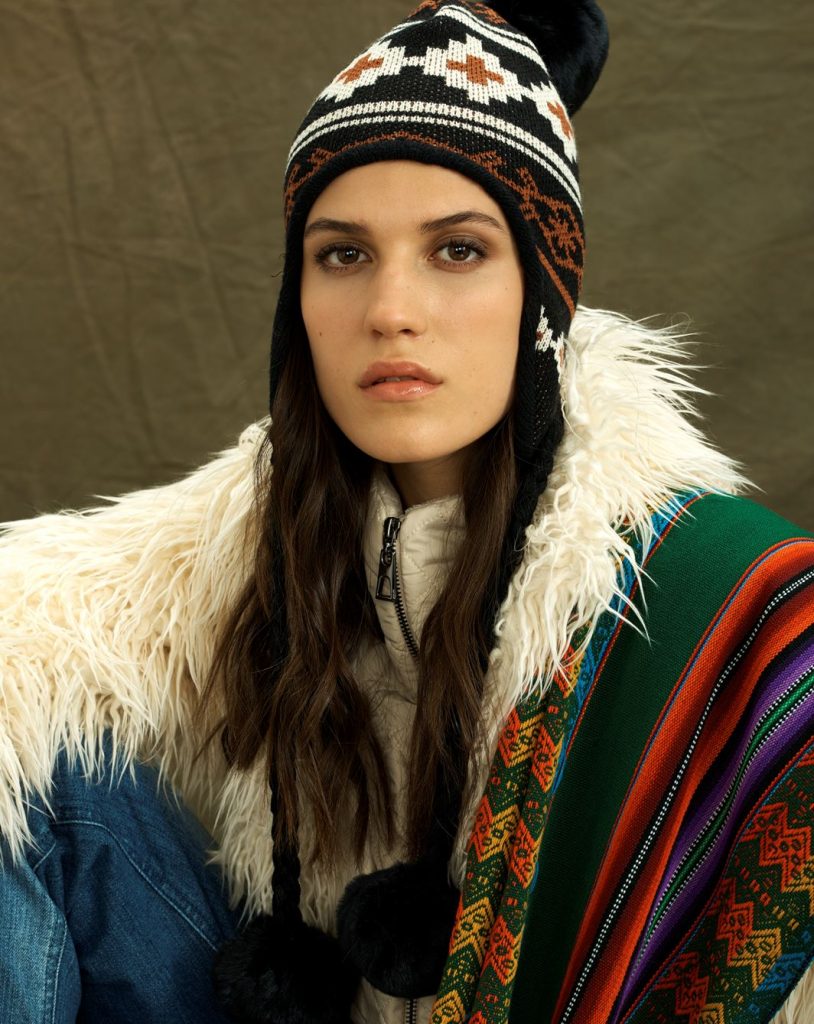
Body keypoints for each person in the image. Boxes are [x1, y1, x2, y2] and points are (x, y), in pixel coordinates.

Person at [0, 1, 812, 1022]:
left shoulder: (726, 604)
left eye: (457, 251)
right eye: (343, 254)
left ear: (543, 294)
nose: (390, 310)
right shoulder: (243, 541)